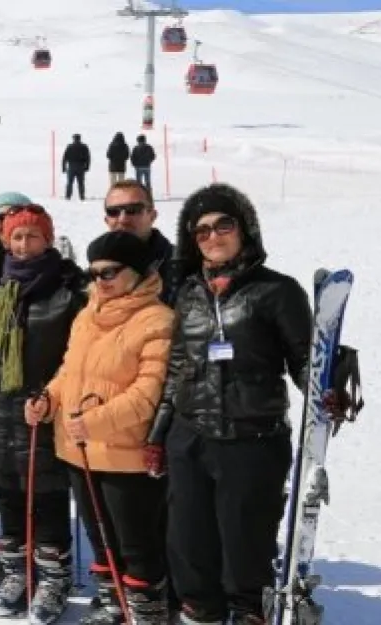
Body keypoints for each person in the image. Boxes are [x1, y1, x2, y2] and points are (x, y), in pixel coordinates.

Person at [148, 184, 312, 625]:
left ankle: (247, 611)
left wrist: (325, 388)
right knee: (188, 542)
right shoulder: (187, 293)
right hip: (191, 436)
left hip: (252, 438)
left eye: (223, 224)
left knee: (245, 544)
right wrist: (159, 434)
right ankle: (200, 611)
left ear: (244, 228)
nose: (213, 236)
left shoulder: (278, 292)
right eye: (201, 231)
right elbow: (177, 367)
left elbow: (304, 362)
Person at [26, 230, 174, 624]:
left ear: (137, 272)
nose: (99, 282)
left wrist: (92, 422)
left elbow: (147, 395)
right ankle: (114, 604)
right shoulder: (86, 315)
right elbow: (69, 371)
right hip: (79, 449)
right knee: (101, 538)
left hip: (125, 455)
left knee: (136, 544)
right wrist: (49, 399)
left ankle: (146, 612)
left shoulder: (157, 320)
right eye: (93, 274)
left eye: (109, 272)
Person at [0, 203, 86, 622]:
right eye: (16, 236)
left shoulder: (69, 292)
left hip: (43, 414)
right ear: (5, 241)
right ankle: (16, 571)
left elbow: (78, 359)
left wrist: (52, 397)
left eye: (32, 236)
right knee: (8, 496)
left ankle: (53, 578)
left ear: (48, 240)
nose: (24, 244)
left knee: (47, 496)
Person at [102, 180, 178, 306]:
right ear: (106, 220)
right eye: (113, 212)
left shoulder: (182, 268)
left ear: (152, 216)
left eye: (133, 210)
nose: (123, 219)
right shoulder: (97, 274)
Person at [62, 134, 91, 201]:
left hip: (71, 166)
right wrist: (87, 167)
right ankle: (82, 196)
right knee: (81, 183)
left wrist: (63, 167)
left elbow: (64, 158)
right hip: (81, 167)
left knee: (69, 183)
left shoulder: (70, 146)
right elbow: (88, 158)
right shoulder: (84, 147)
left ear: (73, 139)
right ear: (80, 138)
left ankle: (67, 196)